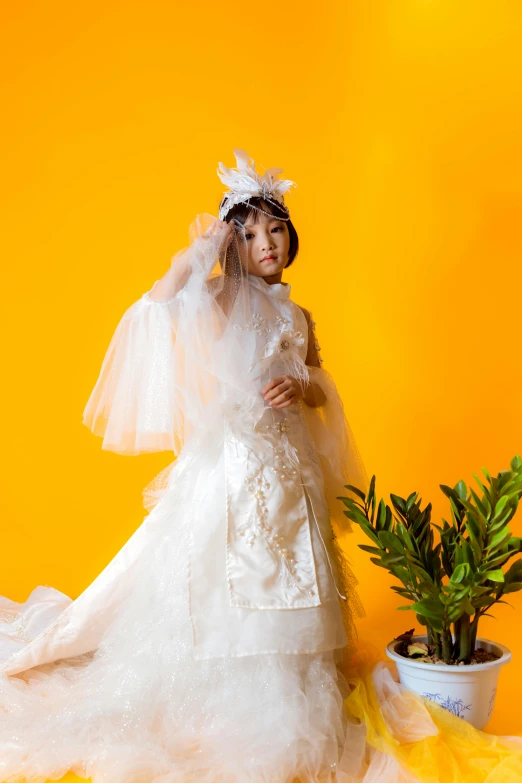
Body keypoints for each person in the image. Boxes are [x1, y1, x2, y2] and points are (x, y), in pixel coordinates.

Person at [0, 149, 521, 783]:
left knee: (296, 567)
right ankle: (231, 684)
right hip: (233, 467)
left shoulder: (298, 314)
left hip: (289, 468)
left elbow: (321, 384)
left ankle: (298, 676)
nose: (265, 242)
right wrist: (211, 239)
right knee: (234, 573)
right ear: (233, 245)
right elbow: (159, 304)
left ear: (290, 235)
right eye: (249, 234)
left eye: (274, 228)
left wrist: (300, 384)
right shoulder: (216, 297)